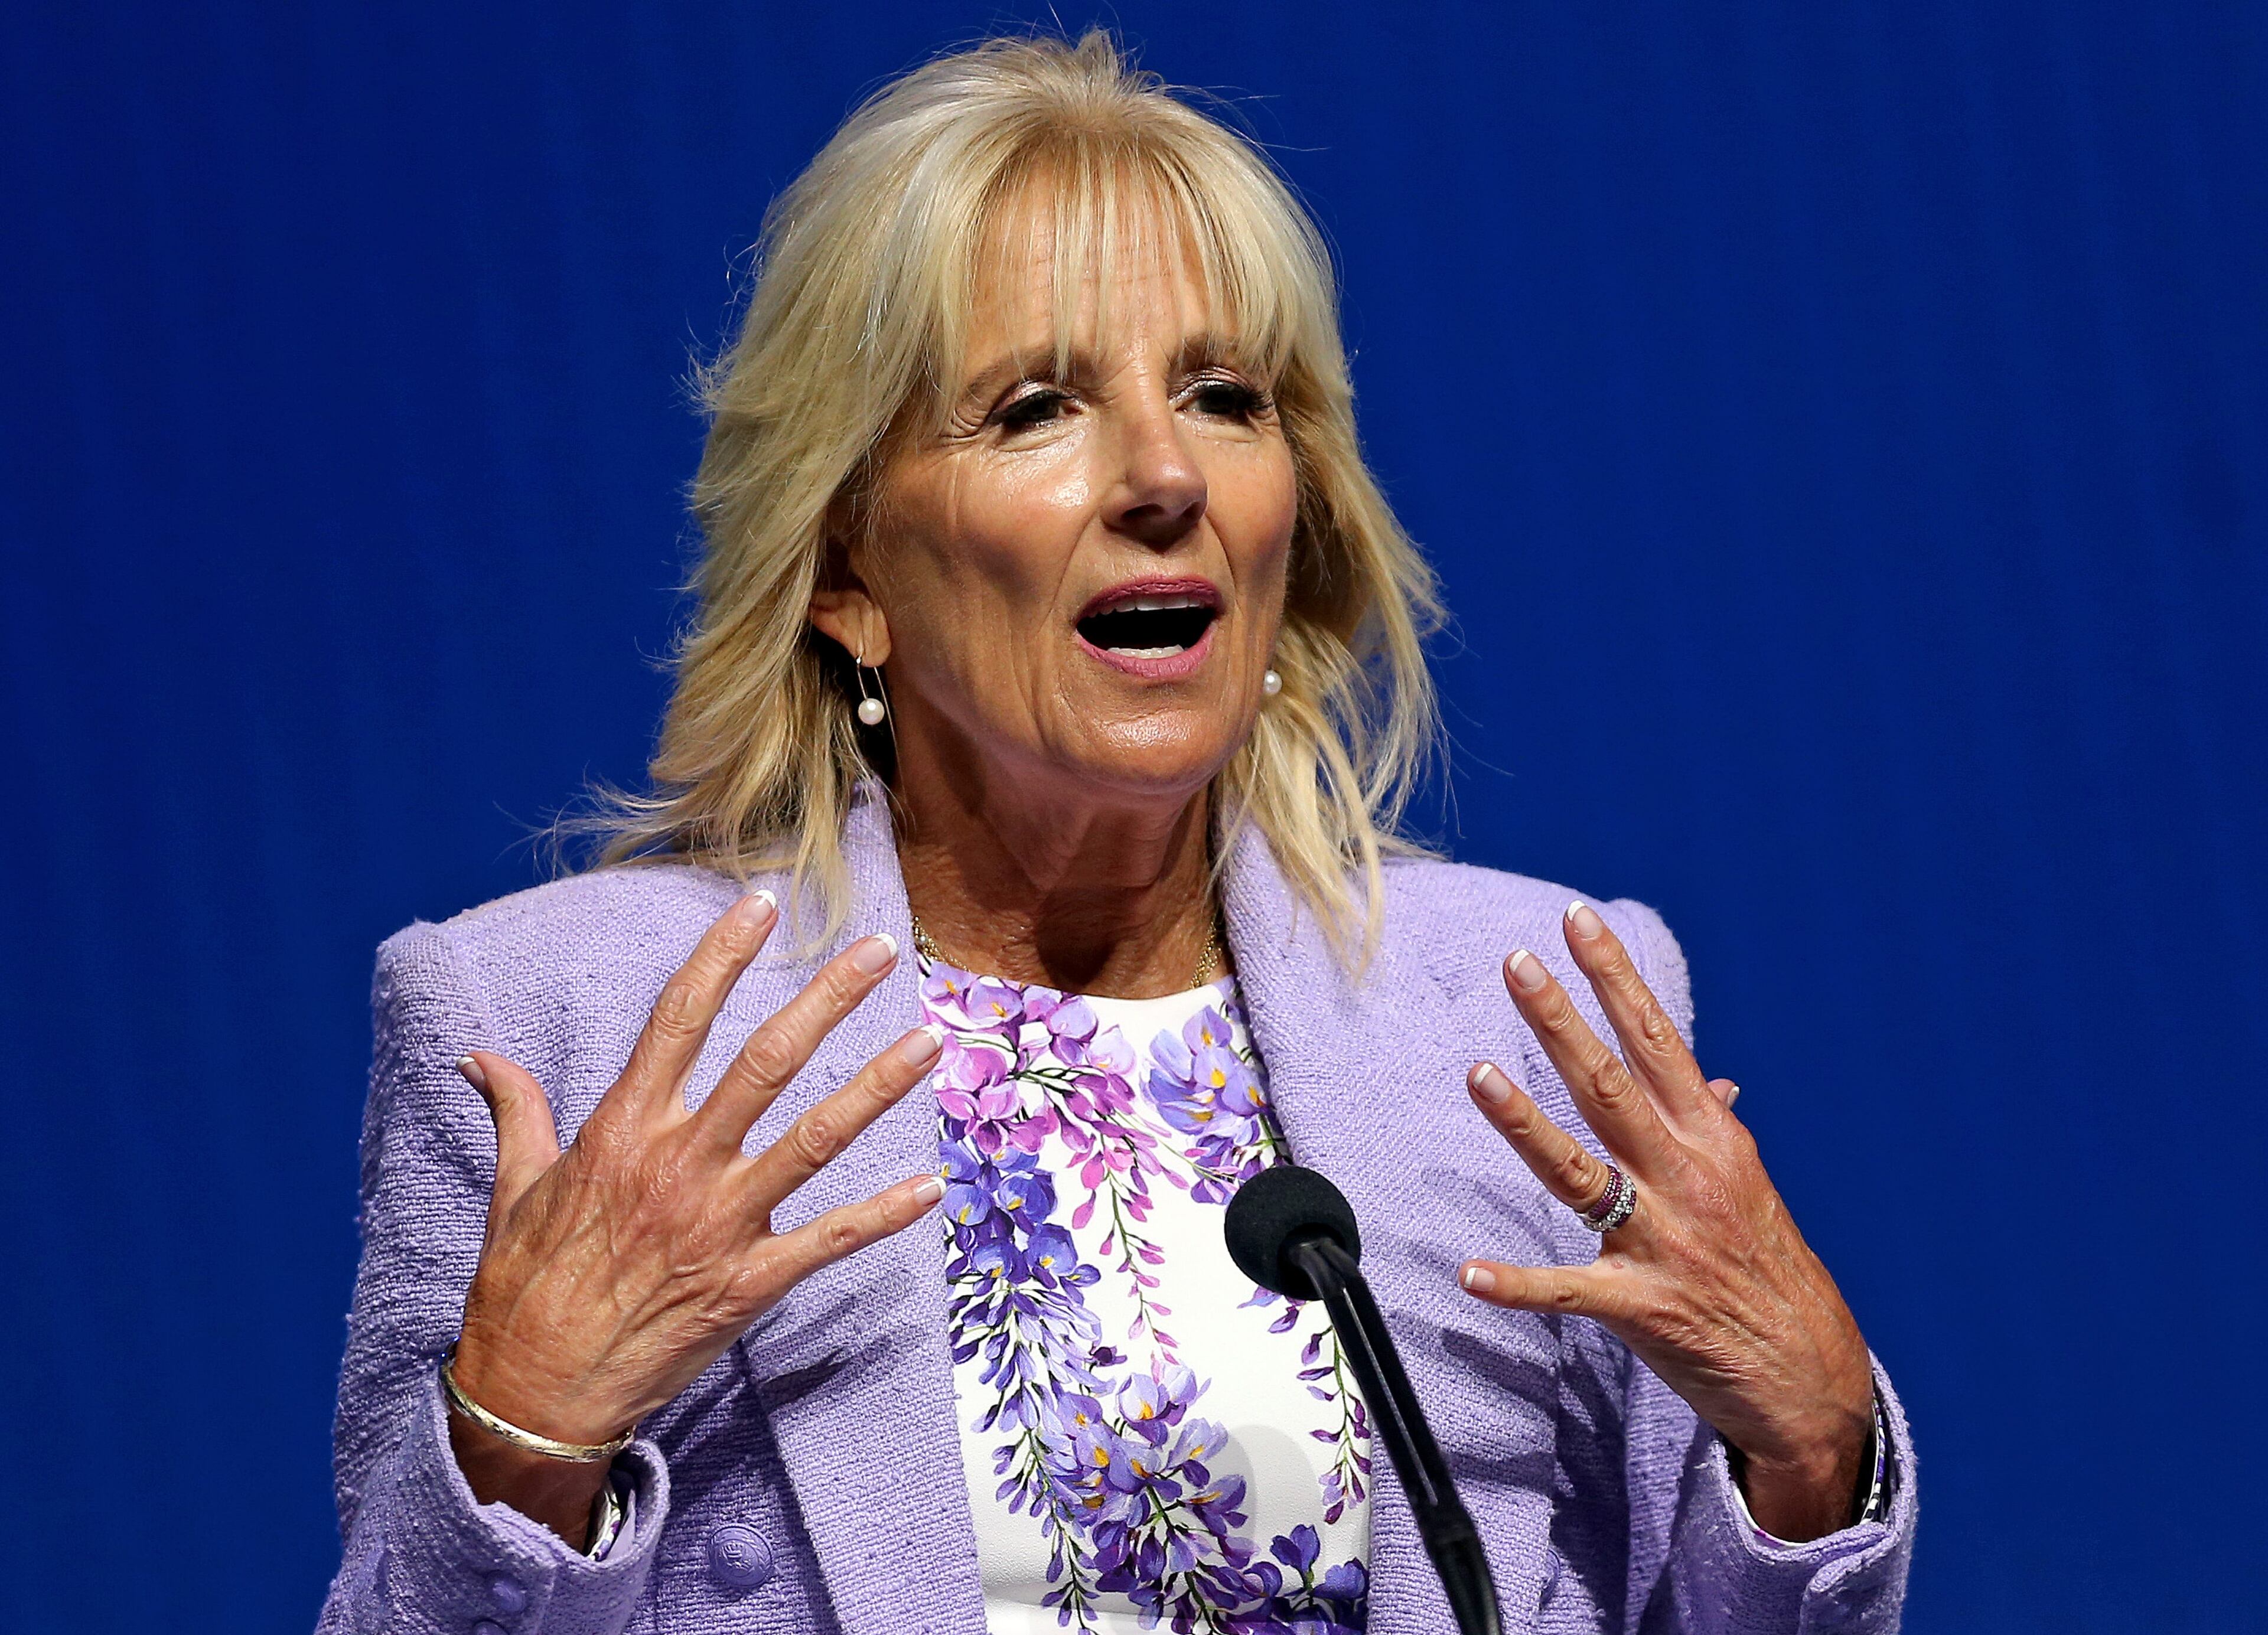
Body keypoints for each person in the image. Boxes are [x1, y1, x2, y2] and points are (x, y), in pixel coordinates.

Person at [318, 31, 1913, 1635]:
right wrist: (516, 1443)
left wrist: (1812, 1458)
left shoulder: (1529, 1006)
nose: (1164, 475)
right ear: (847, 571)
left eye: (1226, 397)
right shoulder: (561, 1030)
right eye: (1033, 408)